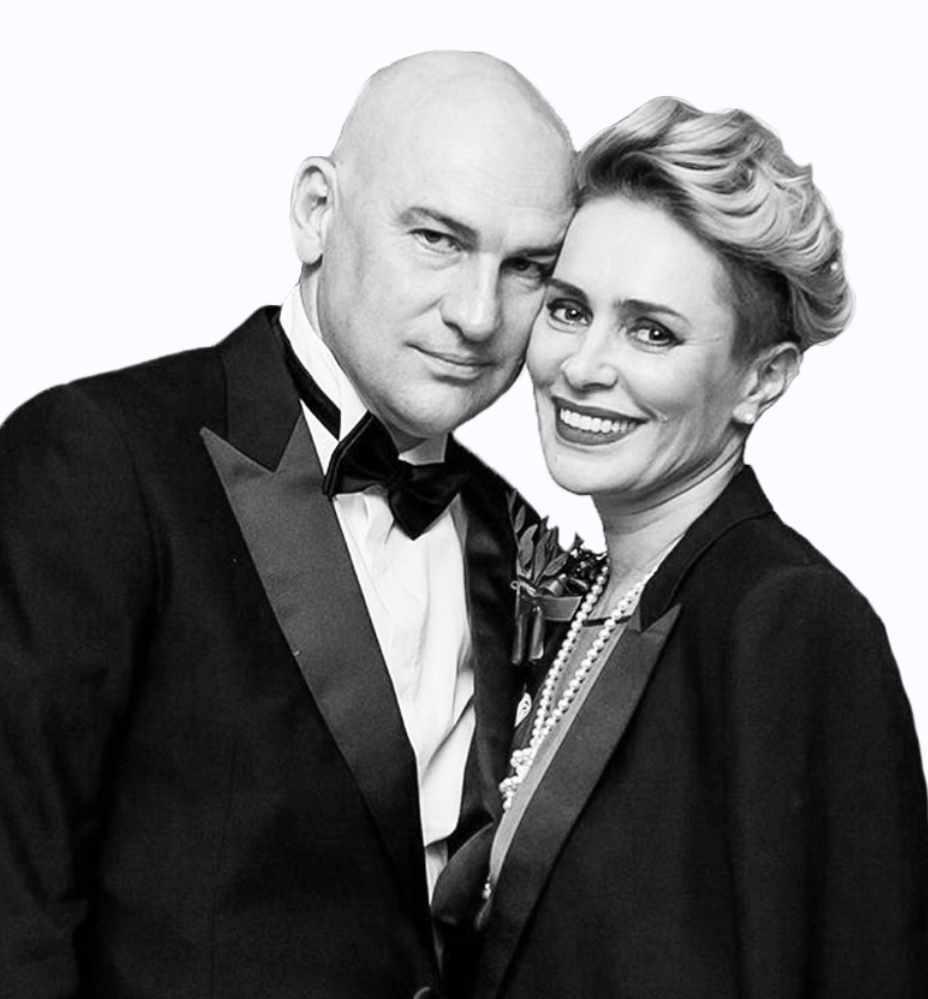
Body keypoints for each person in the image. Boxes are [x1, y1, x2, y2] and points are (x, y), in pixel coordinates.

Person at [0, 52, 573, 997]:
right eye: (437, 238)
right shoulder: (99, 458)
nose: (478, 315)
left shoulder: (512, 531)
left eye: (526, 269)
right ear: (316, 211)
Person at [434, 97, 928, 997]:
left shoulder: (789, 622)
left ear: (762, 378)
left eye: (651, 331)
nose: (584, 366)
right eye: (569, 309)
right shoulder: (581, 606)